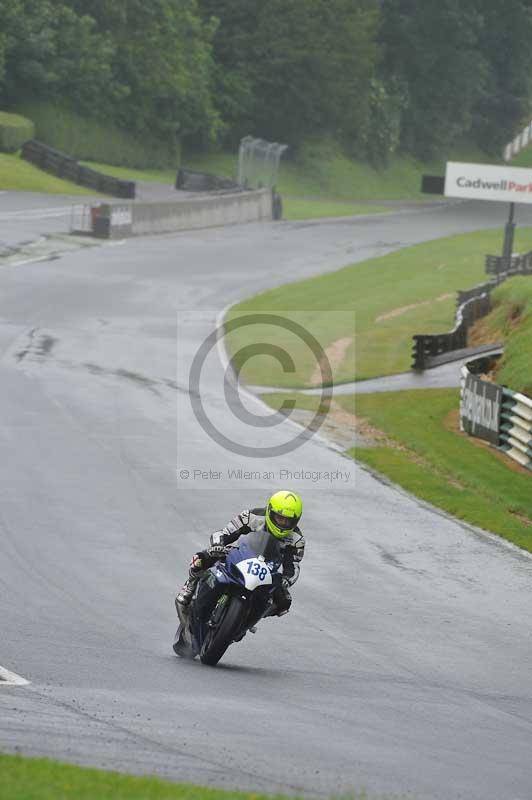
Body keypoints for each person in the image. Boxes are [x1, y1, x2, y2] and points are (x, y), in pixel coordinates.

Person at [175, 490, 304, 617]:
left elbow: (293, 565)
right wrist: (218, 545)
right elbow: (224, 532)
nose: (283, 523)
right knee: (202, 558)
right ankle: (190, 584)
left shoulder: (297, 540)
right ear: (270, 511)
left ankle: (250, 618)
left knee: (284, 602)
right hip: (239, 554)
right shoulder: (251, 516)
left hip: (267, 571)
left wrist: (286, 580)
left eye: (288, 521)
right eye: (280, 518)